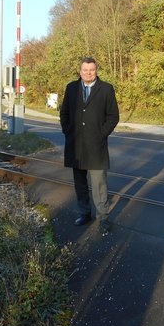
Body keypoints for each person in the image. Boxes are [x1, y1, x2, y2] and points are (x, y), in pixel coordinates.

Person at [60, 56, 120, 235]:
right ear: (80, 71)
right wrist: (68, 131)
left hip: (96, 146)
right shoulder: (71, 88)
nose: (88, 73)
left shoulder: (106, 89)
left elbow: (113, 116)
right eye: (85, 70)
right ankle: (84, 213)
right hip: (75, 145)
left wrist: (101, 134)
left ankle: (103, 219)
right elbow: (64, 113)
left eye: (91, 70)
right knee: (80, 183)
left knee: (99, 185)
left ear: (96, 71)